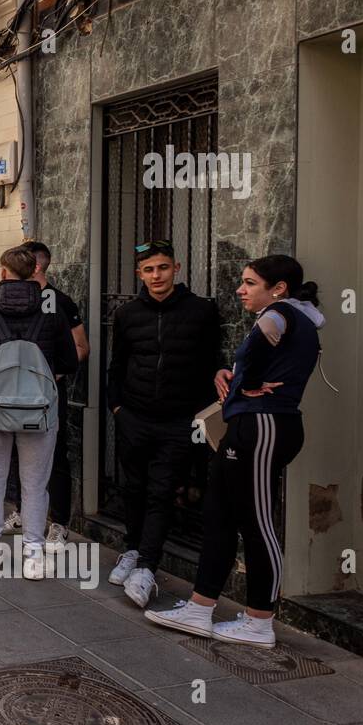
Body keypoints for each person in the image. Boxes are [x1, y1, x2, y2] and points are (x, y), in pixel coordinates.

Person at [146, 256, 324, 647]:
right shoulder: (288, 315)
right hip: (251, 425)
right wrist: (232, 374)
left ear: (277, 288)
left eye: (249, 283)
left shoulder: (278, 313)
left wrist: (251, 380)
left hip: (263, 426)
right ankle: (199, 607)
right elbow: (261, 354)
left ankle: (260, 620)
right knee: (219, 516)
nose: (240, 290)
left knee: (257, 524)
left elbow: (263, 345)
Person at [105, 241, 222, 607]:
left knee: (162, 490)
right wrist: (118, 409)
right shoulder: (127, 315)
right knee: (133, 488)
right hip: (134, 416)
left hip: (178, 420)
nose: (157, 276)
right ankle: (133, 549)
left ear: (177, 268)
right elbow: (117, 365)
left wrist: (198, 415)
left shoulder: (201, 311)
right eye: (149, 270)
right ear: (139, 273)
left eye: (163, 268)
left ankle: (147, 567)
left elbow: (210, 362)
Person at [0, 247, 78, 580]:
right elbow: (69, 361)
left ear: (3, 272)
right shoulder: (51, 308)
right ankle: (33, 553)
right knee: (36, 482)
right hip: (40, 407)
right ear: (35, 271)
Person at [20, 241, 91, 551]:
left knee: (56, 456)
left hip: (48, 394)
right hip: (17, 392)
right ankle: (25, 512)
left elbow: (81, 347)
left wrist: (50, 376)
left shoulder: (60, 301)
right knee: (18, 453)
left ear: (35, 266)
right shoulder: (16, 299)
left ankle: (59, 522)